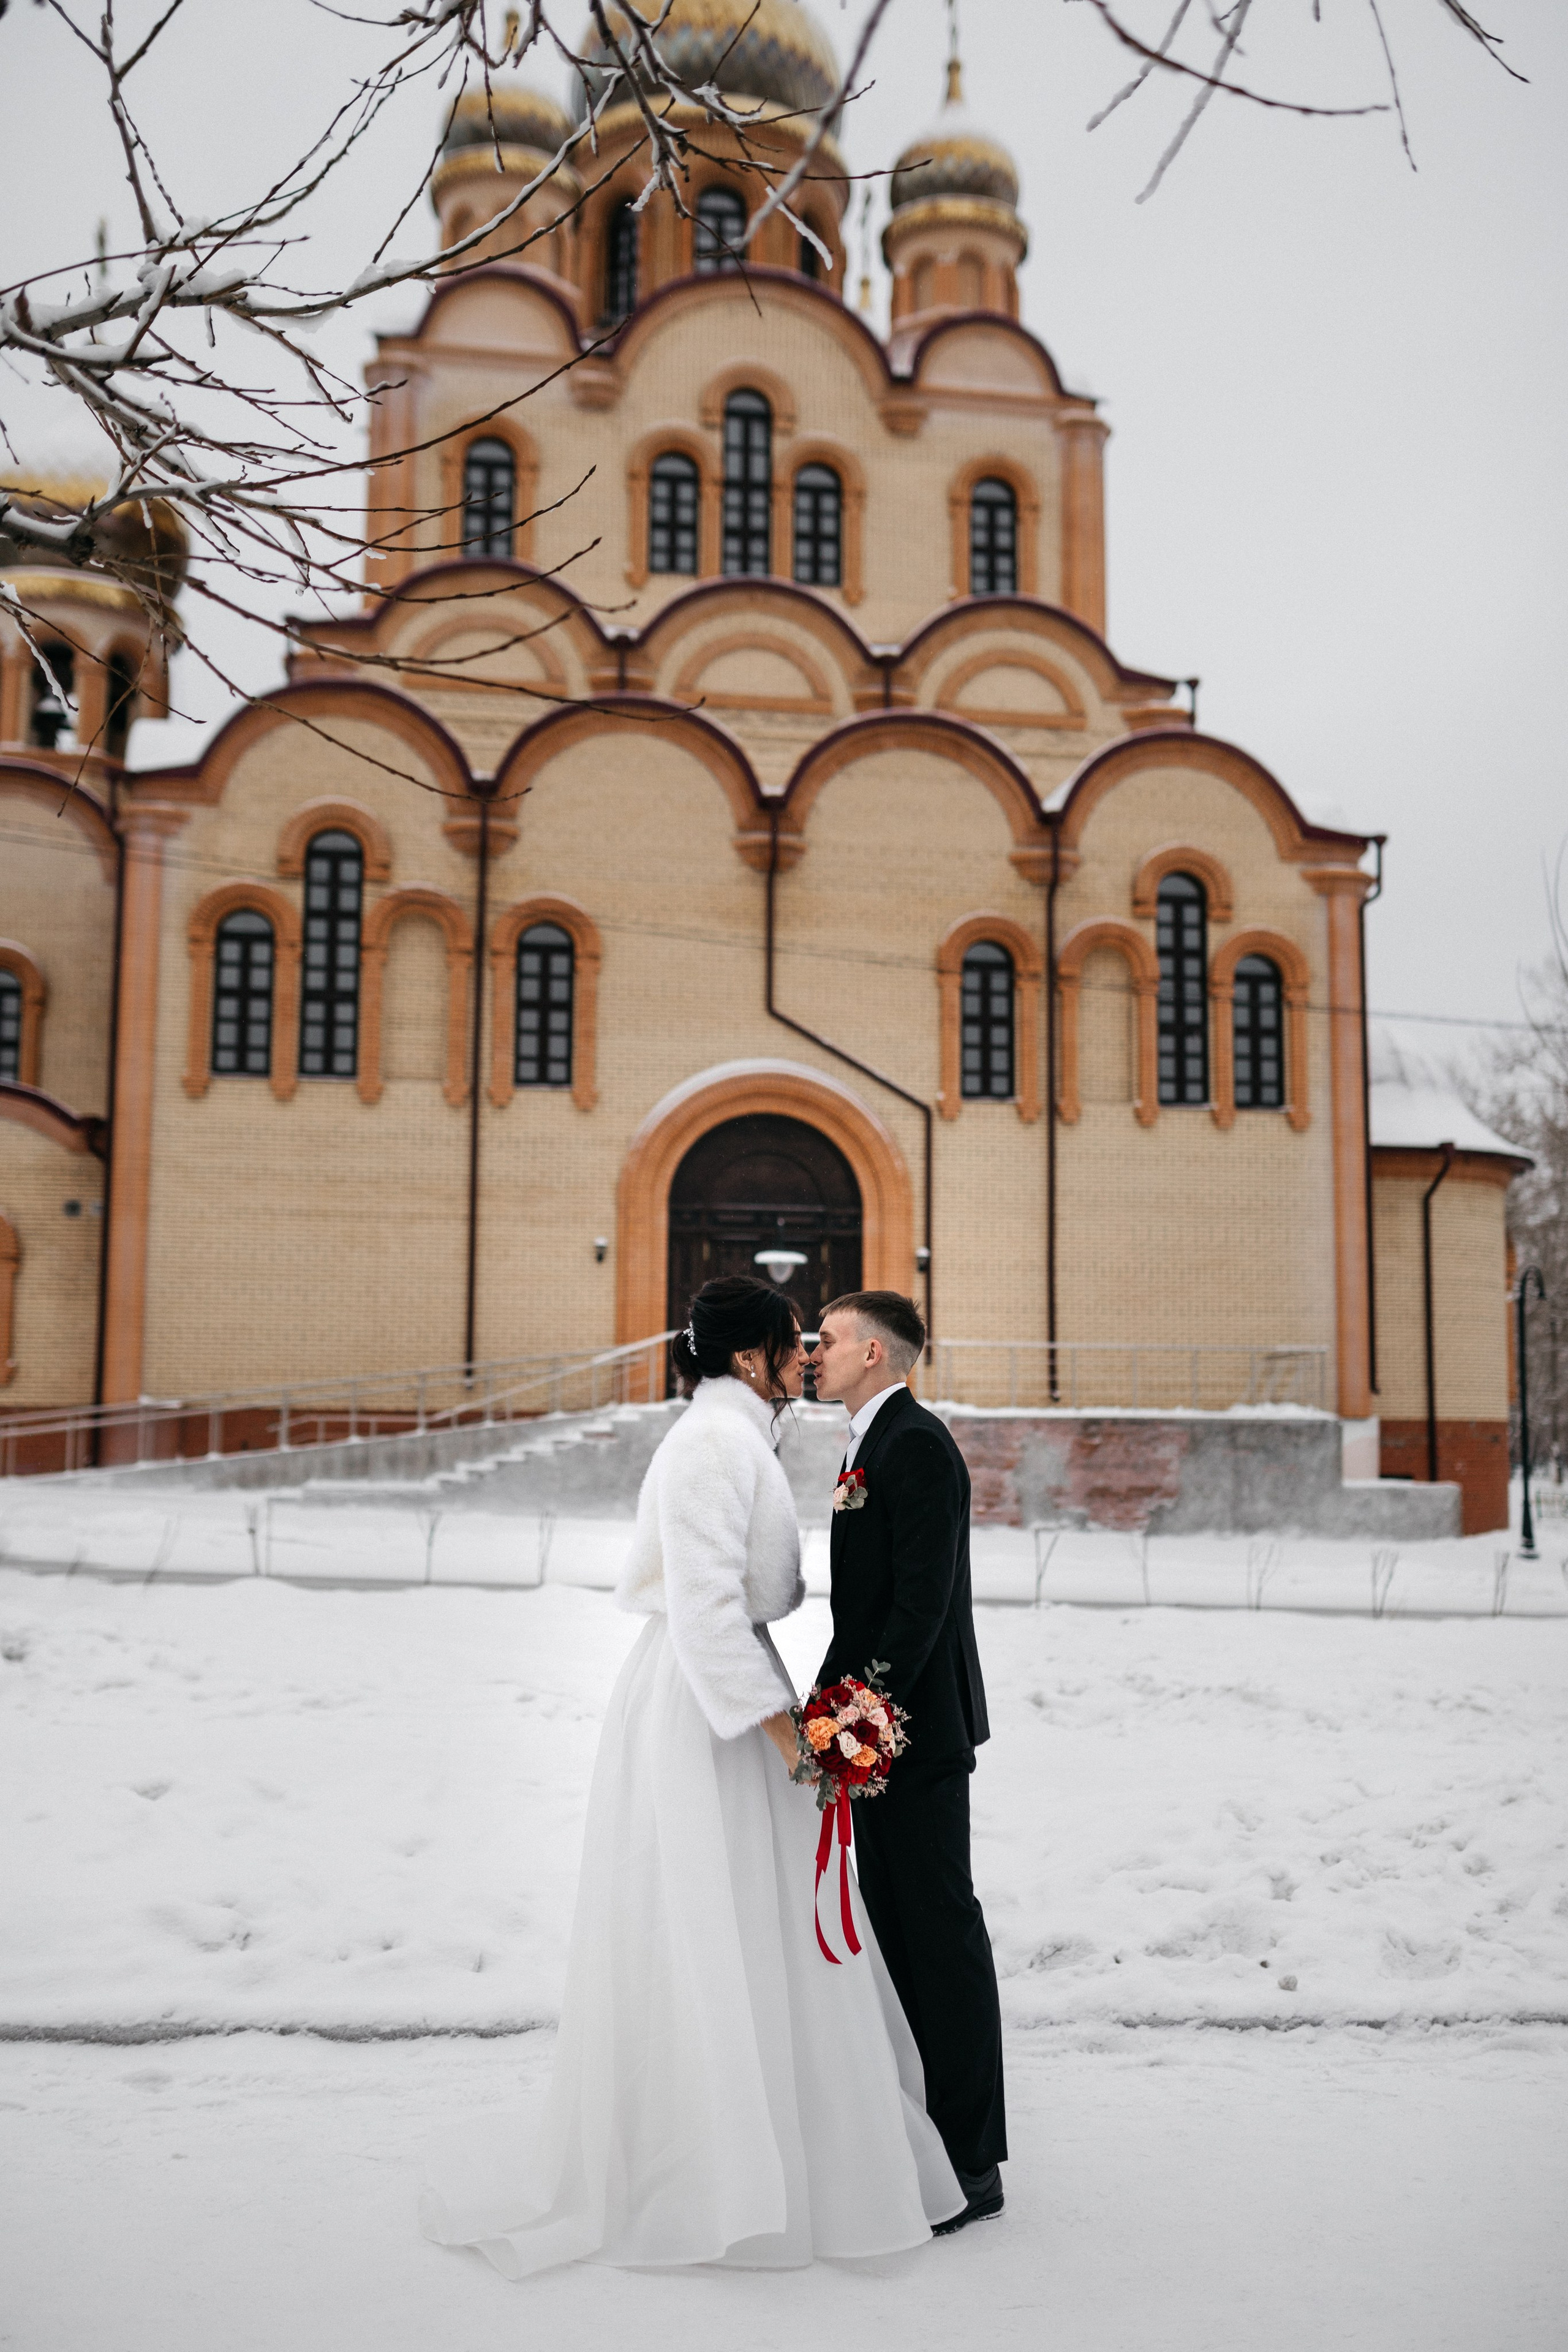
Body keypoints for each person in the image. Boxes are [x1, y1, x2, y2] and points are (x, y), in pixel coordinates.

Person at [420, 1275, 962, 2276]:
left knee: (749, 1925)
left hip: (733, 1694)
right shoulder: (713, 1446)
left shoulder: (737, 1436)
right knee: (713, 1921)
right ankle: (719, 2164)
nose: (807, 1355)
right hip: (707, 1709)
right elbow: (711, 1615)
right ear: (750, 1356)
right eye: (793, 1340)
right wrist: (792, 1743)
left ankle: (763, 2144)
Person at [809, 1289, 1007, 2234]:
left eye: (831, 1339)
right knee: (897, 1939)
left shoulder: (914, 1445)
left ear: (877, 1355)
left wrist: (856, 1723)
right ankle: (924, 2142)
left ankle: (972, 2163)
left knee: (939, 1938)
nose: (815, 1352)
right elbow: (865, 1610)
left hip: (914, 1738)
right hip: (880, 1731)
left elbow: (920, 1608)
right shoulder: (866, 1441)